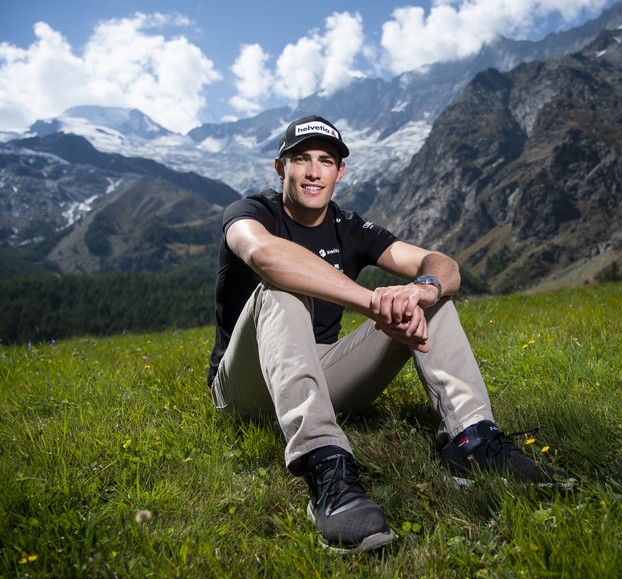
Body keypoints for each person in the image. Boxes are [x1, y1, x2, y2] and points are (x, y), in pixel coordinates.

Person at [207, 114, 573, 554]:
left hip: (324, 374)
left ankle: (472, 440)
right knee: (279, 291)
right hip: (246, 387)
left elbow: (442, 262)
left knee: (430, 299)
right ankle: (325, 465)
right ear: (280, 167)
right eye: (300, 160)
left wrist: (422, 289)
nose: (312, 172)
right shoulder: (250, 214)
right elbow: (264, 255)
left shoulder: (350, 227)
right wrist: (371, 301)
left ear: (339, 172)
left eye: (325, 161)